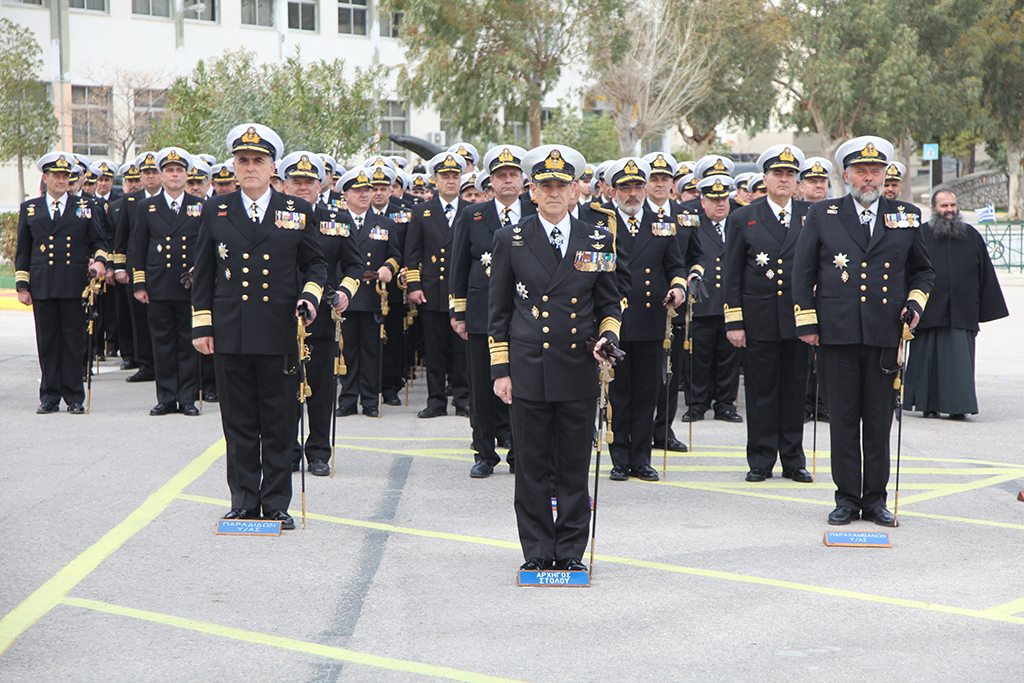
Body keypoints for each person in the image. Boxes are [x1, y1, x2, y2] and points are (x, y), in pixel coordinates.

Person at [489, 144, 621, 571]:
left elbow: (609, 304)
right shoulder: (510, 237)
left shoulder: (596, 237)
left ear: (576, 191)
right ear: (532, 191)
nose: (553, 192)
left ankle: (569, 552)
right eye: (544, 185)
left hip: (577, 368)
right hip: (528, 367)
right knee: (530, 466)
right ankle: (537, 552)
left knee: (572, 465)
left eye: (561, 186)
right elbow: (499, 312)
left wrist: (606, 338)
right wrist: (500, 371)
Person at [191, 123, 327, 529]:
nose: (250, 167)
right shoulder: (217, 209)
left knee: (279, 421)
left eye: (258, 161)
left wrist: (311, 295)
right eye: (243, 160)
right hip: (231, 330)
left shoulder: (297, 210)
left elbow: (315, 264)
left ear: (273, 170)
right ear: (234, 166)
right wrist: (202, 326)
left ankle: (276, 504)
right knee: (238, 422)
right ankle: (244, 501)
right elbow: (205, 272)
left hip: (279, 330)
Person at [793, 135, 934, 528]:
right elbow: (802, 273)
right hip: (836, 334)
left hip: (884, 334)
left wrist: (917, 302)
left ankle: (875, 501)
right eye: (861, 171)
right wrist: (806, 322)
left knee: (877, 422)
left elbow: (923, 270)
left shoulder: (905, 215)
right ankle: (846, 499)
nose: (869, 178)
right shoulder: (824, 215)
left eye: (876, 171)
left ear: (886, 174)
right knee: (842, 421)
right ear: (846, 175)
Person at [725, 145, 813, 483]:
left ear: (797, 182)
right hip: (758, 319)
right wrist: (734, 321)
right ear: (765, 178)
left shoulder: (811, 215)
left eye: (790, 175)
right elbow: (731, 274)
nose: (784, 180)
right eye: (778, 174)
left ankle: (793, 459)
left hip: (798, 321)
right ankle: (761, 459)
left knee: (794, 392)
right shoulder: (743, 217)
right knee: (762, 394)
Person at [603, 157, 689, 482]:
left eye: (638, 186)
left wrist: (678, 288)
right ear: (614, 190)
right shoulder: (603, 224)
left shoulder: (662, 224)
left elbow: (675, 266)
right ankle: (620, 459)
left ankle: (641, 458)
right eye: (625, 187)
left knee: (646, 393)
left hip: (652, 320)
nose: (632, 193)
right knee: (620, 393)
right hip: (617, 322)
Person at [451, 144, 532, 478]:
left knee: (521, 386)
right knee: (483, 385)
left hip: (524, 314)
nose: (508, 181)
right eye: (501, 176)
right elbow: (458, 263)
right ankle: (484, 453)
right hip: (482, 313)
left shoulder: (535, 211)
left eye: (513, 174)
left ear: (523, 180)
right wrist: (458, 313)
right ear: (491, 182)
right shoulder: (473, 214)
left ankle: (519, 450)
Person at [280, 151, 361, 474]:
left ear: (322, 184)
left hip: (323, 318)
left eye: (309, 182)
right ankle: (286, 449)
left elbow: (355, 265)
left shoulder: (337, 219)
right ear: (285, 185)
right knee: (284, 389)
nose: (303, 188)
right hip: (281, 316)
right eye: (296, 182)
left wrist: (344, 291)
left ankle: (318, 452)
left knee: (321, 388)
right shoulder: (277, 216)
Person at [16, 152, 109, 413]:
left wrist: (100, 262)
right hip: (43, 285)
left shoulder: (83, 207)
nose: (60, 180)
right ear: (45, 178)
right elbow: (23, 250)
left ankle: (74, 397)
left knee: (73, 341)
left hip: (73, 283)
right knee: (47, 342)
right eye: (55, 175)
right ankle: (49, 396)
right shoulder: (30, 208)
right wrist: (23, 285)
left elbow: (100, 242)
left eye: (65, 176)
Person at [904, 190, 1008, 418]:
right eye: (944, 206)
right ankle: (928, 405)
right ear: (933, 209)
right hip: (929, 310)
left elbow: (985, 274)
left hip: (962, 311)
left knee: (959, 364)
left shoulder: (971, 235)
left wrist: (985, 308)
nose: (949, 210)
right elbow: (908, 271)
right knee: (927, 362)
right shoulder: (920, 234)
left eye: (952, 205)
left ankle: (958, 408)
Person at [131, 147, 203, 417]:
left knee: (188, 343)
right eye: (170, 170)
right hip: (158, 285)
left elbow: (204, 248)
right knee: (162, 344)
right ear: (161, 175)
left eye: (180, 171)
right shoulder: (147, 207)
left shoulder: (199, 207)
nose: (175, 175)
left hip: (189, 286)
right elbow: (138, 248)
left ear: (187, 175)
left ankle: (187, 399)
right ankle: (166, 397)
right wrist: (140, 285)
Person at [642, 152, 704, 453]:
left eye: (665, 179)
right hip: (640, 307)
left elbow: (696, 256)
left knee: (670, 372)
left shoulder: (684, 215)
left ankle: (663, 429)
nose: (659, 184)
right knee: (641, 376)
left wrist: (692, 277)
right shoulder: (632, 213)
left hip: (675, 309)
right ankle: (635, 431)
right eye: (653, 178)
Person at [406, 151, 471, 418]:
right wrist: (414, 285)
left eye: (455, 176)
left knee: (461, 350)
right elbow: (413, 252)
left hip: (461, 293)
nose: (451, 181)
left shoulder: (471, 211)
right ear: (435, 180)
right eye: (445, 176)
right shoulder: (422, 211)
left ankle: (463, 398)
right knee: (434, 349)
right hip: (431, 290)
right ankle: (435, 400)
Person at [682, 176, 742, 424]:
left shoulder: (737, 224)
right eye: (714, 200)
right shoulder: (693, 225)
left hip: (730, 303)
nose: (720, 204)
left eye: (724, 199)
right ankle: (697, 404)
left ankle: (725, 404)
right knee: (699, 356)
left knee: (729, 358)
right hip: (703, 303)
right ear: (702, 202)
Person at [113, 150, 163, 384]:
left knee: (162, 319)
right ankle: (146, 365)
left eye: (154, 172)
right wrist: (120, 267)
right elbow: (121, 238)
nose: (150, 177)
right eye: (146, 172)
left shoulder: (170, 198)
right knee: (140, 320)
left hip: (163, 269)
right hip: (137, 270)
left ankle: (165, 363)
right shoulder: (131, 200)